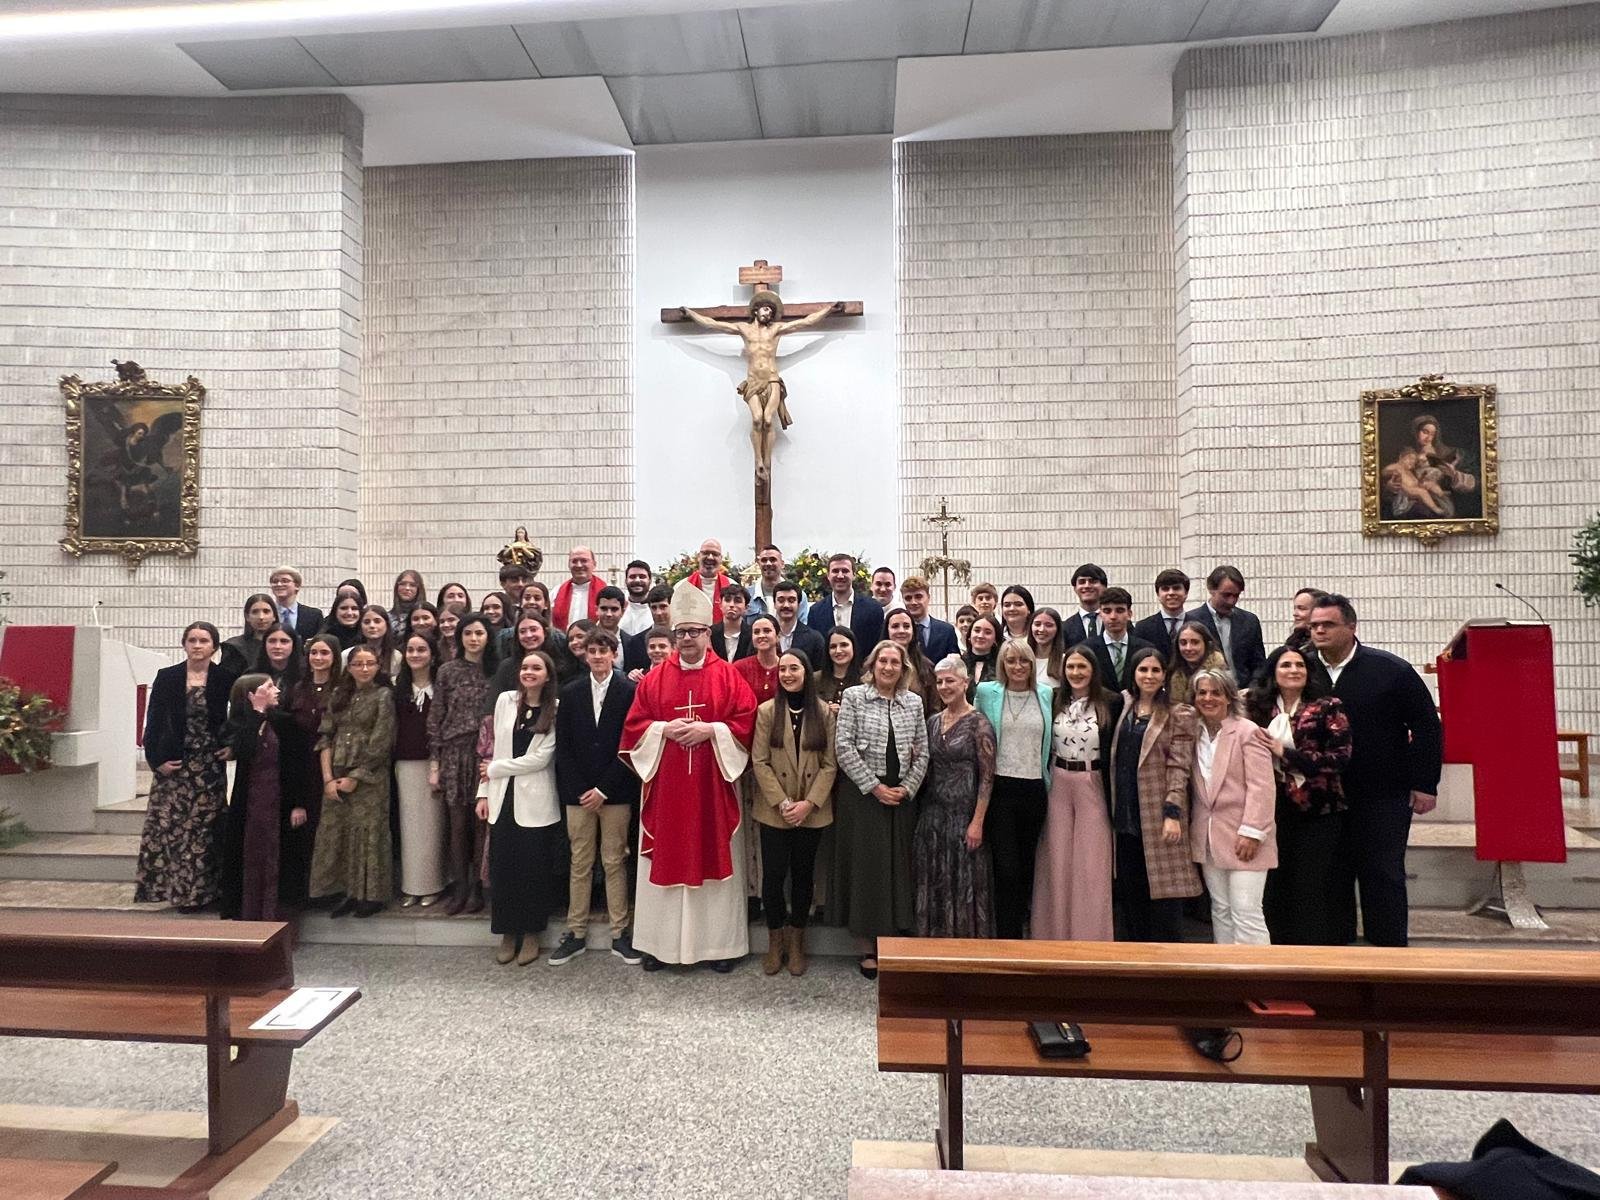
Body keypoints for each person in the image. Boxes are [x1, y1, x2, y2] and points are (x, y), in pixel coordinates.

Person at [620, 580, 758, 972]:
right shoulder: (655, 679)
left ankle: (720, 948)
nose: (686, 640)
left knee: (714, 861)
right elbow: (633, 728)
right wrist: (663, 729)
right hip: (668, 790)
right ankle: (659, 946)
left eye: (694, 632)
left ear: (707, 633)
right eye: (681, 633)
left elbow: (746, 723)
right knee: (664, 859)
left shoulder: (728, 677)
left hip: (712, 788)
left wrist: (711, 730)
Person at [1308, 594, 1441, 947]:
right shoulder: (1302, 668)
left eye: (1327, 624)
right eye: (1314, 625)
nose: (1319, 630)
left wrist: (1425, 783)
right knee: (1331, 875)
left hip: (1382, 794)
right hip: (1324, 796)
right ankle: (1337, 951)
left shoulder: (1390, 670)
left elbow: (1427, 726)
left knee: (1382, 874)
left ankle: (1389, 953)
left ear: (1351, 627)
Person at [831, 639, 929, 977]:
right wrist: (875, 788)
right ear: (872, 665)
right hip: (863, 797)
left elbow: (923, 751)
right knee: (867, 870)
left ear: (904, 668)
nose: (888, 667)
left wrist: (906, 788)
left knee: (898, 869)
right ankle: (866, 947)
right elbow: (843, 748)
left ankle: (895, 941)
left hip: (901, 797)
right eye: (882, 661)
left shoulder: (913, 702)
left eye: (895, 662)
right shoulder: (856, 697)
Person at [1247, 644, 1352, 945]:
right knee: (1275, 883)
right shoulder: (1257, 707)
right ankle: (1278, 950)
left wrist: (1286, 753)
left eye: (1299, 665)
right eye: (1285, 665)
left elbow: (1339, 758)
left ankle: (1311, 952)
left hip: (1319, 811)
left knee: (1310, 884)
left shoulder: (1327, 706)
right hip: (1271, 810)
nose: (1293, 670)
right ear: (1273, 672)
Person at [552, 629, 640, 966]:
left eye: (604, 650)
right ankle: (576, 933)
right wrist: (582, 790)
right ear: (585, 655)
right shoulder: (571, 692)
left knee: (615, 860)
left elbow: (629, 744)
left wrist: (604, 788)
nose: (598, 656)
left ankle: (620, 933)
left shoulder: (629, 691)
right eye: (592, 650)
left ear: (615, 654)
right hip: (579, 794)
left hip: (615, 791)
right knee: (581, 862)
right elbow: (565, 747)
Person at [135, 622, 234, 910]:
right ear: (184, 644)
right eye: (192, 640)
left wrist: (233, 747)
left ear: (214, 647)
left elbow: (235, 721)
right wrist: (156, 761)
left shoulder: (226, 678)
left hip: (208, 768)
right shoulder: (168, 677)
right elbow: (152, 723)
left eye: (204, 640)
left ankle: (203, 893)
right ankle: (176, 892)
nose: (198, 645)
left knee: (204, 830)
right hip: (175, 765)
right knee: (172, 828)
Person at [477, 649, 567, 966]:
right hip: (502, 799)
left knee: (532, 872)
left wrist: (496, 770)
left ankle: (531, 935)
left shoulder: (554, 709)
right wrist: (483, 793)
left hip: (536, 802)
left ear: (547, 676)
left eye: (536, 668)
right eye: (525, 667)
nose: (529, 672)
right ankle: (507, 934)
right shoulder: (505, 702)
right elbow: (490, 751)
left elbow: (540, 760)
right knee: (504, 871)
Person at [750, 649, 836, 975]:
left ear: (806, 671)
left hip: (811, 811)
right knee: (773, 878)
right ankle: (776, 941)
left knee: (803, 877)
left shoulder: (824, 713)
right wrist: (784, 803)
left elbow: (830, 764)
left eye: (794, 668)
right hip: (776, 810)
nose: (787, 674)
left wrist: (808, 804)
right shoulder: (767, 712)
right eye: (783, 669)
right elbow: (759, 762)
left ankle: (798, 942)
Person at [1107, 647, 1200, 942]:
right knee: (1131, 897)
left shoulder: (1178, 712)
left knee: (1163, 899)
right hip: (1124, 814)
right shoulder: (1124, 706)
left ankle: (1169, 972)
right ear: (1133, 674)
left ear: (1164, 676)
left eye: (1155, 670)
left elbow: (1180, 766)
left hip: (1158, 815)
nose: (1149, 676)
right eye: (1143, 670)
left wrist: (1172, 812)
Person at [1033, 644, 1121, 941]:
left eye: (1082, 666)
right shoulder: (1054, 699)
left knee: (1091, 864)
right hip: (1058, 781)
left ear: (1093, 670)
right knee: (1056, 862)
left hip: (1092, 781)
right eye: (1071, 667)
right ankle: (1053, 936)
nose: (1076, 672)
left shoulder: (1111, 701)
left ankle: (1091, 939)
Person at [973, 639, 1053, 938]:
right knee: (1006, 869)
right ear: (1002, 664)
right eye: (1011, 661)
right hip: (1000, 790)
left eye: (1023, 661)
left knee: (1027, 867)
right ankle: (1007, 937)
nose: (1017, 667)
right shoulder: (987, 692)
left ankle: (1020, 930)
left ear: (1032, 664)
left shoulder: (1045, 694)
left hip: (1034, 789)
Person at [1189, 669, 1276, 945]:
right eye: (1202, 692)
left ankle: (1259, 982)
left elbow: (1262, 787)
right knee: (1221, 910)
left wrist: (1253, 832)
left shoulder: (1247, 732)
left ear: (1229, 696)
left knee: (1246, 912)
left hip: (1245, 837)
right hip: (1209, 837)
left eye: (1216, 692)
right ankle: (1227, 978)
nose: (1208, 698)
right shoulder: (1193, 732)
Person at [310, 644, 396, 919]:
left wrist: (354, 777)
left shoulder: (384, 696)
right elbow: (325, 736)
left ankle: (369, 896)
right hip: (335, 773)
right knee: (338, 833)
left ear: (378, 666)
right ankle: (345, 891)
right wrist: (328, 779)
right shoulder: (339, 694)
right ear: (349, 667)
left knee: (366, 834)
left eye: (370, 663)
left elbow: (381, 742)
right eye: (358, 664)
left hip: (369, 777)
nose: (364, 669)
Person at [916, 656, 996, 939]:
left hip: (964, 819)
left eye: (950, 680)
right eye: (939, 681)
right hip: (933, 817)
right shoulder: (932, 722)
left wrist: (977, 822)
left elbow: (987, 777)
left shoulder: (980, 724)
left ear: (966, 682)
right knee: (935, 883)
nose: (944, 686)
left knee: (963, 887)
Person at [219, 674, 311, 922]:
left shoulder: (286, 723)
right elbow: (245, 750)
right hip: (250, 802)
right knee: (249, 855)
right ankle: (247, 916)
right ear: (252, 694)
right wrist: (257, 712)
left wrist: (298, 804)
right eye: (269, 687)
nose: (277, 690)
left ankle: (278, 918)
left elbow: (298, 766)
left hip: (281, 799)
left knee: (280, 857)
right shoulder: (240, 724)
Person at [429, 612, 498, 915]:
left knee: (482, 824)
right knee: (457, 826)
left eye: (479, 633)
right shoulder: (447, 671)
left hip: (486, 755)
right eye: (468, 633)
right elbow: (436, 716)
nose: (473, 638)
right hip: (454, 752)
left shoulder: (498, 670)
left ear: (488, 636)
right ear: (459, 636)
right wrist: (435, 762)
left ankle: (479, 889)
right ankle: (459, 887)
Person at [285, 633, 341, 904]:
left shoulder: (342, 689)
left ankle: (330, 889)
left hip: (332, 764)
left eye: (325, 653)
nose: (319, 658)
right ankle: (305, 891)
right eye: (314, 653)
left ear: (334, 657)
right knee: (304, 827)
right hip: (302, 763)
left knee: (329, 827)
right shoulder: (296, 688)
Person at [393, 632, 447, 909]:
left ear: (432, 654)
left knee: (432, 829)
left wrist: (438, 765)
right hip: (405, 765)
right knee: (410, 829)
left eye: (421, 649)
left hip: (434, 764)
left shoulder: (441, 687)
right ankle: (411, 887)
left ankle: (432, 885)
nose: (415, 655)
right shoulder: (398, 689)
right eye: (411, 650)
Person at [1185, 565, 1266, 686]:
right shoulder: (1191, 621)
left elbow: (1259, 665)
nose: (1231, 601)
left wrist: (1253, 690)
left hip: (1244, 696)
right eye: (1226, 595)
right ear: (1211, 589)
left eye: (1236, 596)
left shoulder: (1250, 621)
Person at [1081, 586, 1154, 692]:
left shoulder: (1146, 649)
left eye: (1119, 610)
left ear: (1129, 614)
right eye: (1107, 611)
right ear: (1100, 614)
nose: (1113, 616)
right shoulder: (1087, 649)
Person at [806, 553, 884, 647]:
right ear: (828, 575)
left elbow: (878, 646)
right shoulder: (816, 612)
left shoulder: (873, 608)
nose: (840, 576)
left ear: (854, 575)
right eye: (835, 571)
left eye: (845, 571)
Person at [885, 607, 937, 715]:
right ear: (887, 630)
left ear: (913, 631)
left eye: (906, 626)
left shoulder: (926, 666)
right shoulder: (875, 664)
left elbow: (934, 708)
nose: (901, 630)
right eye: (895, 626)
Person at [1133, 568, 1191, 660]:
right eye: (1165, 589)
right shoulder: (1143, 628)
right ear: (1158, 594)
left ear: (1186, 593)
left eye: (1176, 588)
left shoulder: (1200, 624)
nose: (1171, 593)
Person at [900, 575, 960, 661]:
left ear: (928, 597)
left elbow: (955, 665)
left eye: (918, 597)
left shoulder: (947, 631)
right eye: (908, 598)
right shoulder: (898, 632)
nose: (913, 602)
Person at [1168, 620, 1227, 705]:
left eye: (1195, 642)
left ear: (1207, 644)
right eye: (1183, 643)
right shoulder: (1175, 674)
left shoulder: (1220, 675)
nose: (1188, 648)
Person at [747, 544, 809, 623]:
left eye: (773, 559)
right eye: (764, 560)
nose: (768, 563)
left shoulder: (798, 595)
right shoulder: (748, 595)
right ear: (758, 564)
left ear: (782, 564)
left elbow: (803, 628)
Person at [769, 580, 826, 664]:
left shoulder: (814, 639)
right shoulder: (765, 636)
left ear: (799, 604)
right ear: (774, 604)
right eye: (781, 600)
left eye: (791, 600)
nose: (786, 605)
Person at [221, 593, 277, 676]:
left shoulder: (286, 644)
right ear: (247, 617)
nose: (261, 617)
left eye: (266, 611)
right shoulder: (235, 647)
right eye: (255, 612)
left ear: (274, 616)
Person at [734, 613, 782, 707]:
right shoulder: (739, 668)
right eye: (756, 632)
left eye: (767, 631)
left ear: (778, 636)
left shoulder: (786, 666)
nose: (761, 635)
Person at [623, 584, 673, 673]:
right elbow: (628, 672)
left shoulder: (683, 638)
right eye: (654, 607)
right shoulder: (636, 642)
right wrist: (632, 674)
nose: (658, 612)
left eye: (663, 607)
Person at [685, 538, 736, 623]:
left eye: (715, 554)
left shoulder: (732, 586)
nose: (710, 557)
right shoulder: (683, 586)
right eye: (705, 553)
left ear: (721, 559)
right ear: (698, 556)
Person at [269, 566, 322, 639]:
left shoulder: (314, 615)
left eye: (284, 581)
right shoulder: (266, 614)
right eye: (275, 581)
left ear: (297, 585)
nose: (279, 584)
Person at [348, 605, 400, 679]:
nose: (372, 626)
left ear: (387, 624)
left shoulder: (396, 657)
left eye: (377, 621)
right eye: (366, 622)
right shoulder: (346, 654)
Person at [1062, 563, 1108, 646]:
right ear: (1075, 589)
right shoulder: (1064, 628)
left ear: (1104, 587)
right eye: (1082, 582)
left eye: (1093, 581)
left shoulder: (1119, 623)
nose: (1087, 586)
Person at [816, 626, 859, 713]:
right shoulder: (815, 680)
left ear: (853, 647)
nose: (838, 651)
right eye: (833, 646)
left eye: (844, 645)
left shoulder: (865, 680)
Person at [710, 583, 749, 662]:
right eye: (727, 600)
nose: (731, 605)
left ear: (746, 608)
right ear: (720, 605)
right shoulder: (709, 633)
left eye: (737, 601)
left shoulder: (752, 634)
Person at [962, 613, 1003, 688]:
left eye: (988, 632)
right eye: (977, 631)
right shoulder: (959, 663)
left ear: (995, 639)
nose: (980, 636)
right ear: (970, 635)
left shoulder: (1002, 665)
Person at [1028, 606, 1064, 686]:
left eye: (1049, 625)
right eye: (1037, 624)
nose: (1042, 629)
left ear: (1057, 629)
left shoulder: (1064, 661)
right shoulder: (1022, 659)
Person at [259, 624, 302, 692]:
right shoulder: (253, 675)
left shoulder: (306, 676)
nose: (277, 646)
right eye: (272, 641)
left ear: (294, 645)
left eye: (284, 641)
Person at [1286, 587, 1328, 654]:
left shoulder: (1325, 645)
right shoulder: (1294, 641)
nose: (1295, 614)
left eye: (1301, 608)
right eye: (1295, 608)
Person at [620, 560, 656, 636]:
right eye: (632, 577)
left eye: (642, 577)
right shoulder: (617, 609)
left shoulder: (657, 609)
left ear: (650, 581)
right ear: (626, 581)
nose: (637, 580)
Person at [389, 569, 426, 636]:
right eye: (402, 584)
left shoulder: (428, 617)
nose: (407, 588)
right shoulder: (387, 618)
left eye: (412, 585)